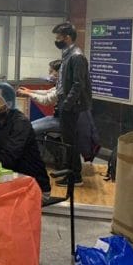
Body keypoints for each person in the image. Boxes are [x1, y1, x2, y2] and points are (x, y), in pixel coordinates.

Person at [0, 82, 52, 204]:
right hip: (6, 180)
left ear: (8, 103)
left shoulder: (20, 123)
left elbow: (8, 160)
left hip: (32, 185)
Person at [51, 22, 93, 187]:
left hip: (71, 105)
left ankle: (75, 176)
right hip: (66, 102)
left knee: (70, 141)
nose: (57, 40)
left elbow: (78, 84)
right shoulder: (67, 54)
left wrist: (66, 104)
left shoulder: (76, 56)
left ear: (67, 38)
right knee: (67, 139)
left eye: (59, 37)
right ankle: (70, 170)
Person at [17, 59, 62, 135]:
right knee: (28, 126)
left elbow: (46, 100)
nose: (49, 74)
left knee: (29, 131)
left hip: (62, 122)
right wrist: (30, 91)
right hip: (56, 118)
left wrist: (28, 94)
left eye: (51, 72)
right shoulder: (60, 84)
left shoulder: (64, 86)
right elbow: (47, 92)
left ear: (59, 73)